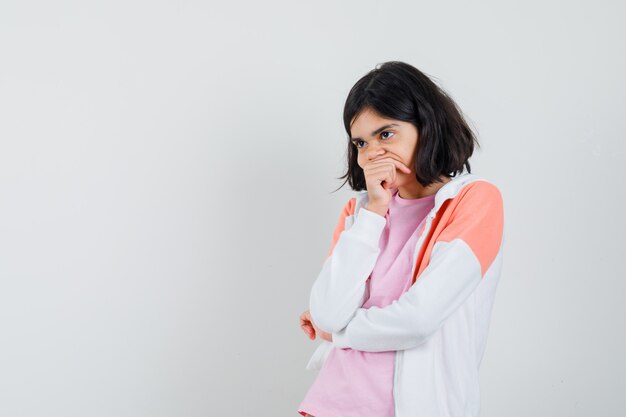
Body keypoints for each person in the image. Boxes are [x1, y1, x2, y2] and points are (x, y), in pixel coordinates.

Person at [297, 61, 505, 417]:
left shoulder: (474, 200)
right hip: (329, 405)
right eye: (361, 142)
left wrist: (342, 335)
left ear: (427, 127)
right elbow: (328, 314)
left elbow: (418, 321)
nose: (372, 152)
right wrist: (375, 212)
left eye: (386, 134)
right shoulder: (358, 212)